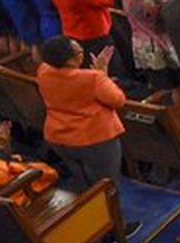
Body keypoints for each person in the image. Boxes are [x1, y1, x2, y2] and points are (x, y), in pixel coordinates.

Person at [35, 36, 127, 191]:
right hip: (94, 139)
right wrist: (102, 74)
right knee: (105, 185)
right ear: (70, 60)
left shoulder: (43, 70)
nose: (82, 54)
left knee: (83, 181)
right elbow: (118, 100)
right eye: (79, 52)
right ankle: (110, 213)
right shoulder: (93, 78)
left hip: (59, 138)